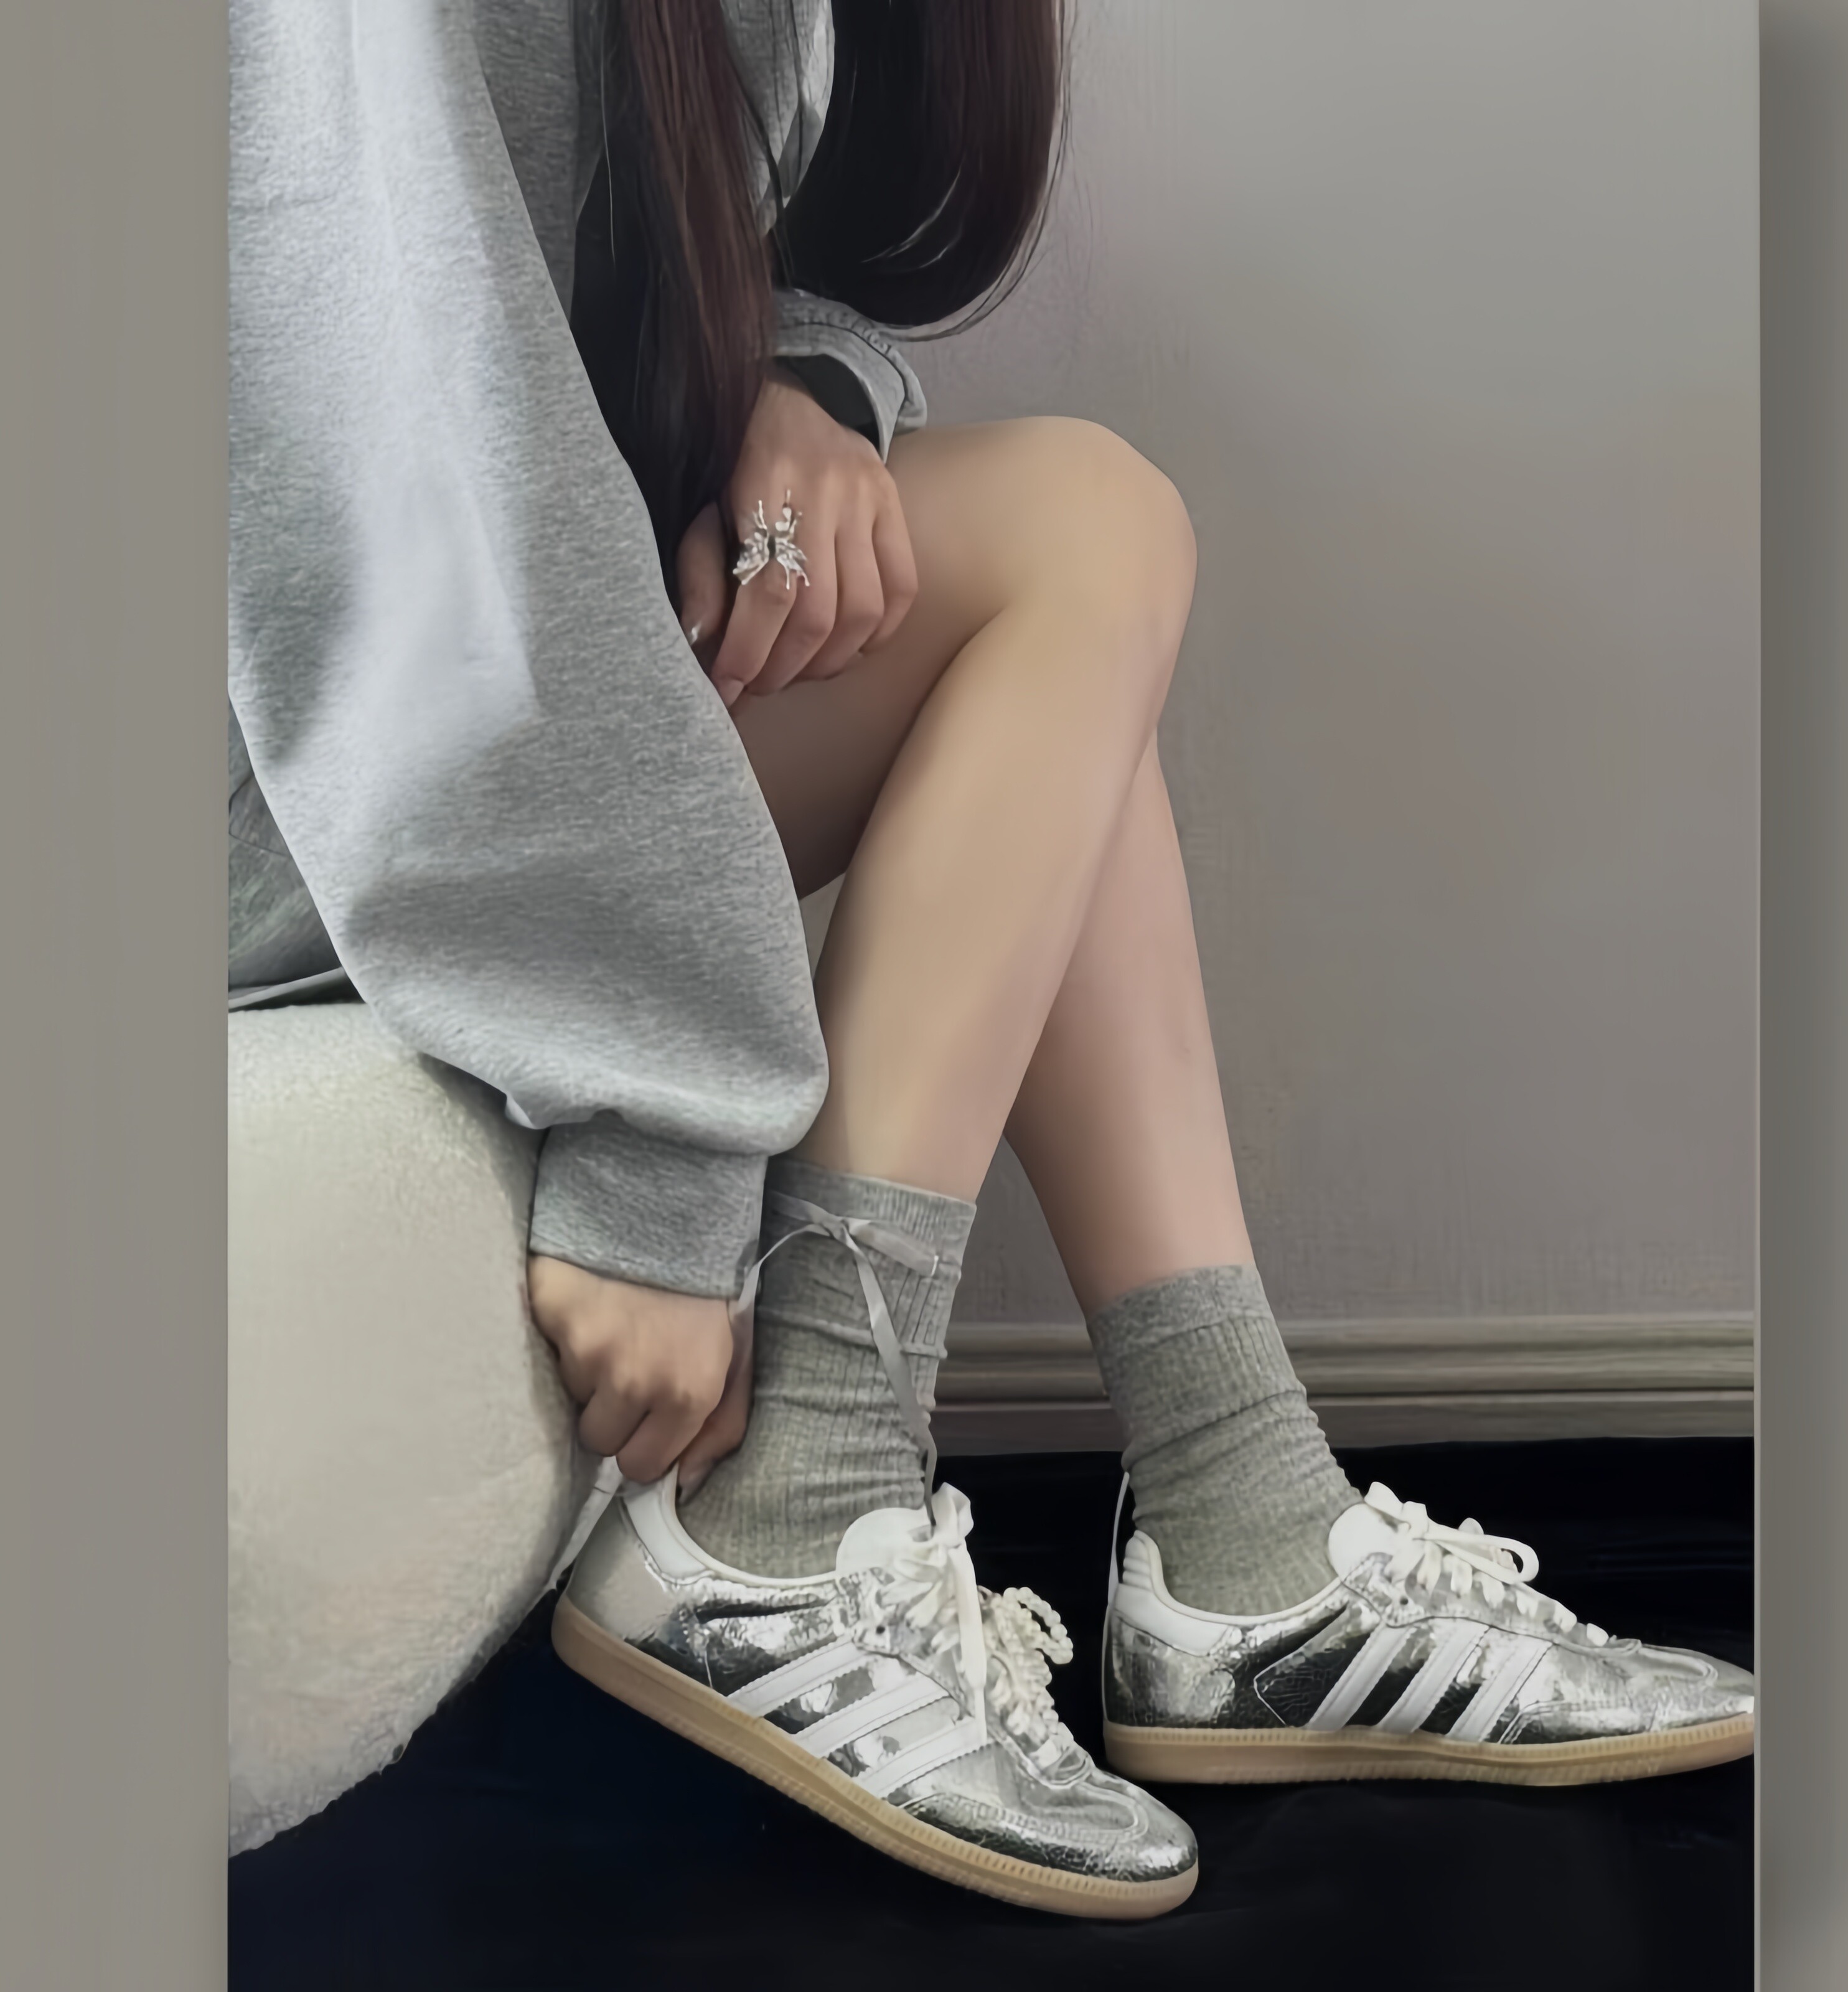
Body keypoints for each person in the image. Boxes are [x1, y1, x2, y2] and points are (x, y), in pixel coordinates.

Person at [228, 0, 1755, 1920]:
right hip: (289, 768)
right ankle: (810, 1500)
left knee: (1061, 614)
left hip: (442, 705)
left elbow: (637, 281)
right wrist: (654, 1136)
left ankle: (1244, 1529)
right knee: (1080, 537)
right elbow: (383, 465)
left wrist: (798, 390)